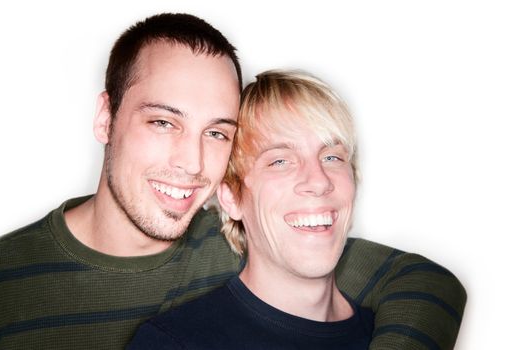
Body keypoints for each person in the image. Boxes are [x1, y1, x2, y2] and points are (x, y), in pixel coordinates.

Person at [0, 13, 465, 350]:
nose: (192, 162)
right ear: (106, 118)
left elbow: (424, 283)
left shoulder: (245, 245)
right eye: (163, 122)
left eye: (215, 132)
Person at [128, 70, 375, 349]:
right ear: (232, 197)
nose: (319, 182)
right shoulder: (173, 343)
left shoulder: (401, 333)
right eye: (280, 161)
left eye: (332, 157)